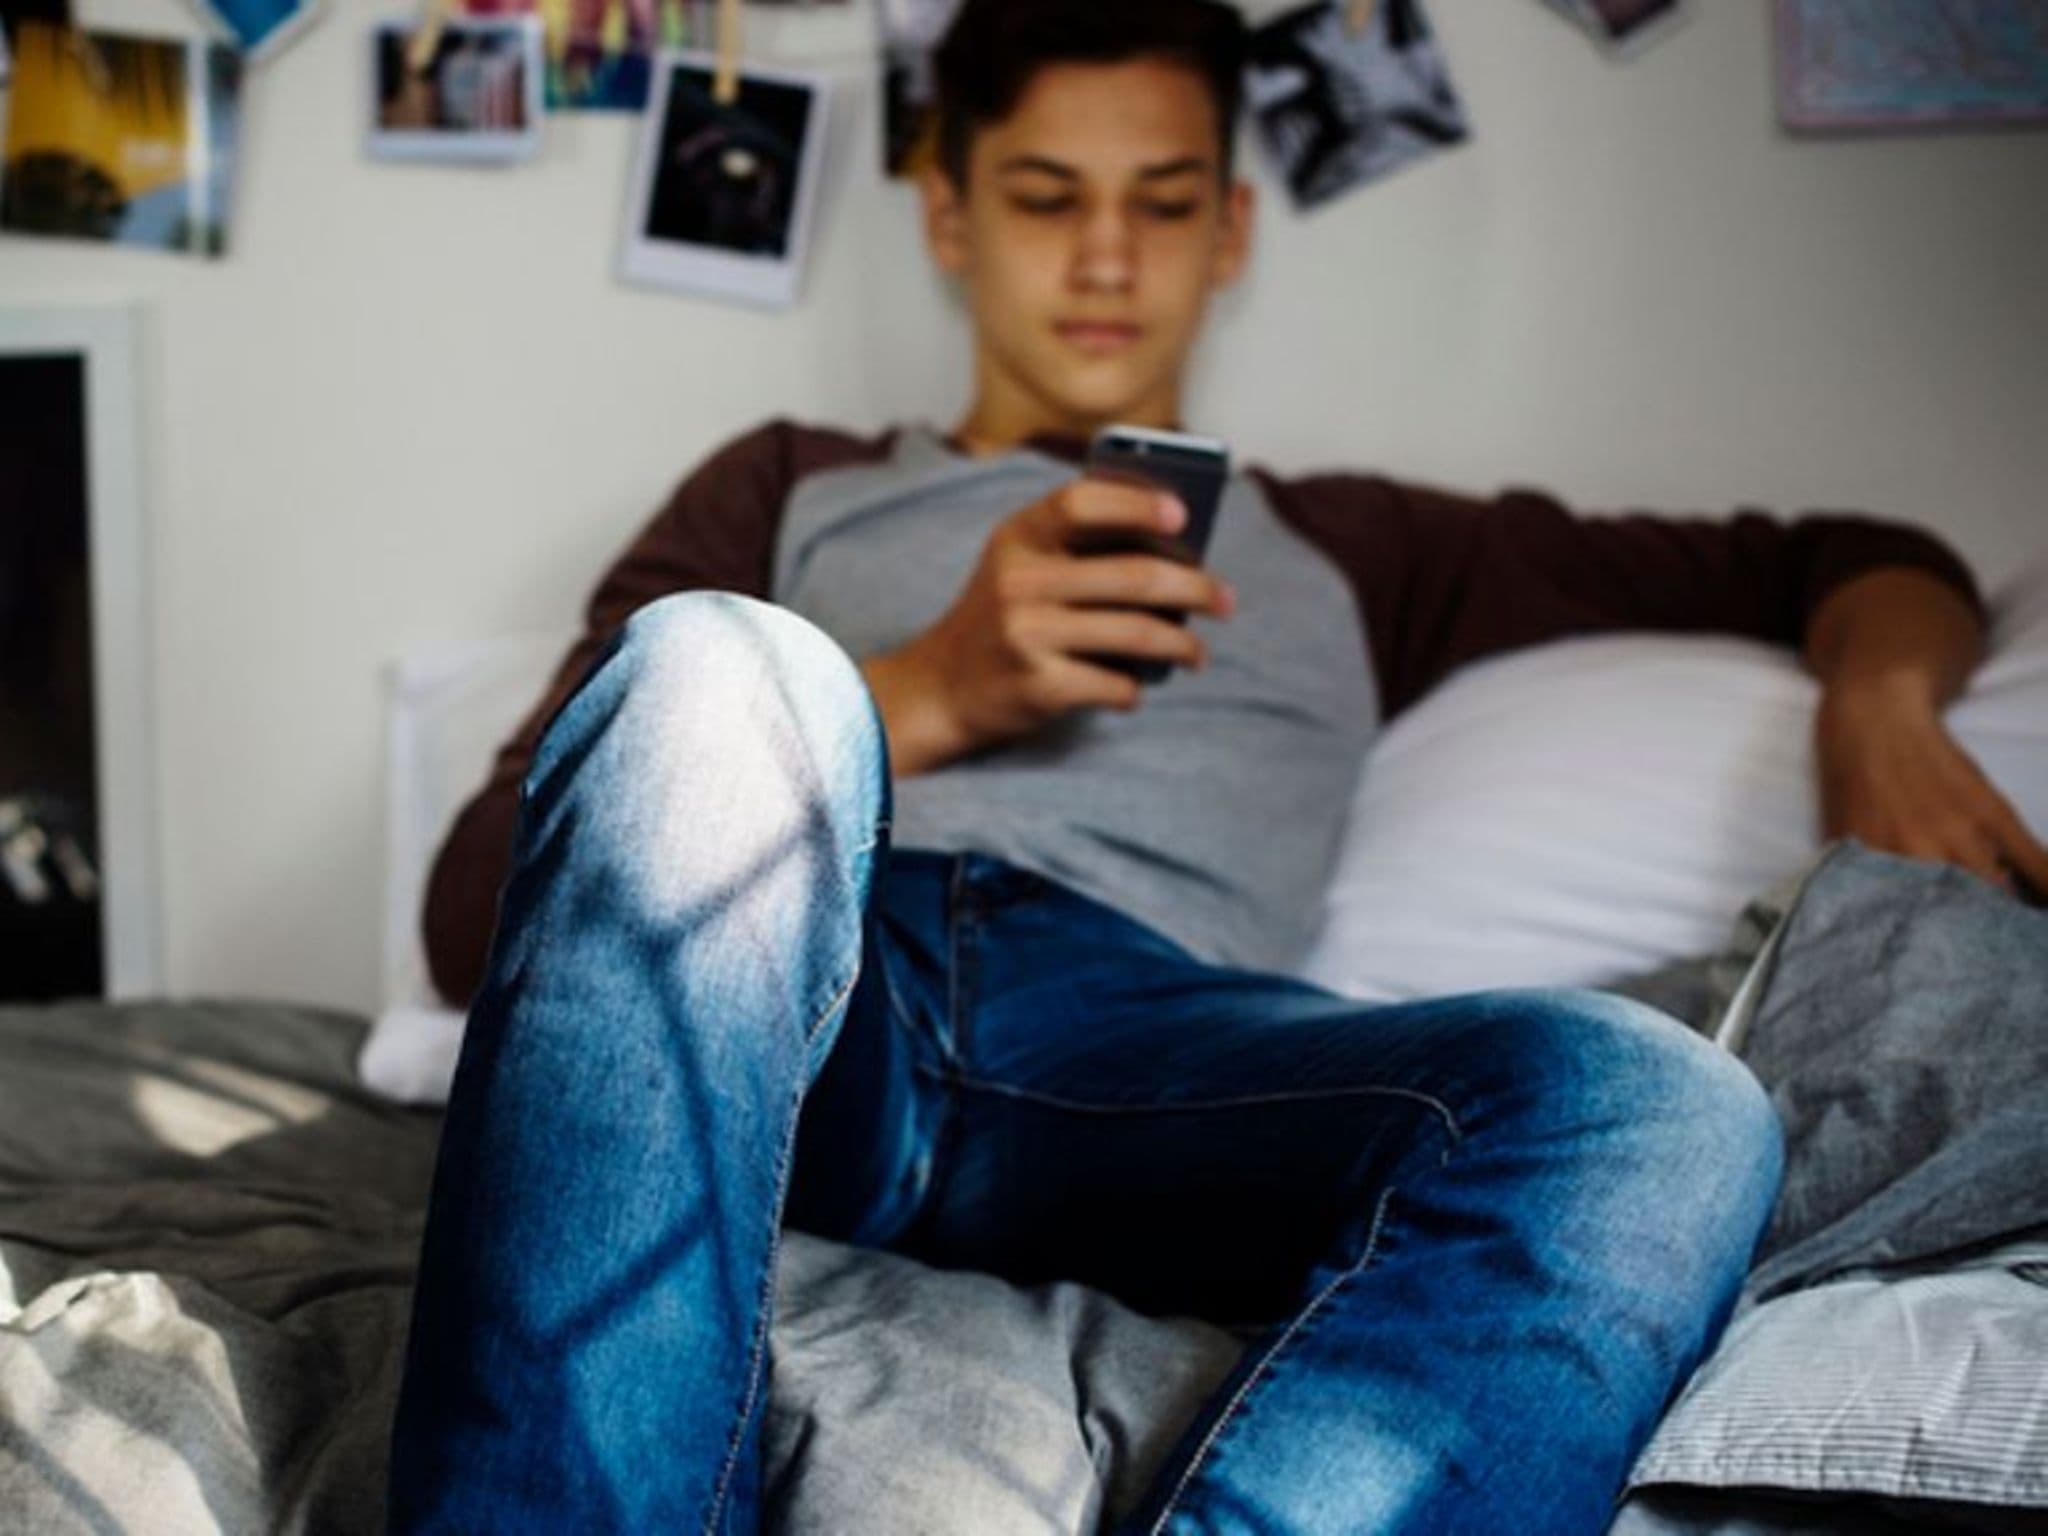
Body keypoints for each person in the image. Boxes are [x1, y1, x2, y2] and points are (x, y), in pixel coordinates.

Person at [386, 2, 2043, 1532]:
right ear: (951, 219)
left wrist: (1880, 718)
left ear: (1231, 228)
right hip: (809, 1007)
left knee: (1667, 1104)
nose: (1107, 257)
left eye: (1165, 202)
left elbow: (1855, 552)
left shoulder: (1361, 547)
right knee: (713, 664)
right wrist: (933, 689)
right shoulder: (789, 483)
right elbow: (488, 913)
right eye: (1046, 197)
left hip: (1157, 1055)